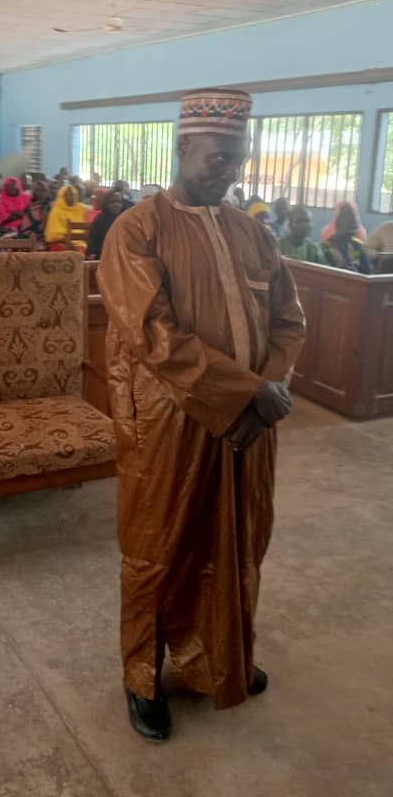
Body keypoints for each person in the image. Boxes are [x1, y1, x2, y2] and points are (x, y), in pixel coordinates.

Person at [98, 88, 305, 741]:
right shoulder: (138, 230)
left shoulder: (254, 232)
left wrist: (269, 389)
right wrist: (245, 391)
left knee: (238, 541)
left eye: (238, 160)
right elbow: (152, 334)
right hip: (170, 423)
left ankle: (219, 658)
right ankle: (142, 676)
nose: (230, 171)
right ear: (185, 146)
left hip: (250, 425)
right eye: (219, 158)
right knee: (159, 547)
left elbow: (288, 320)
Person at [322, 202, 372, 273]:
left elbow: (368, 270)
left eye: (354, 227)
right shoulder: (327, 247)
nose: (352, 230)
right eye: (349, 227)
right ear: (338, 225)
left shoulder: (358, 245)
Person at [45, 184, 86, 251]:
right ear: (62, 197)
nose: (71, 197)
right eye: (67, 195)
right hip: (60, 242)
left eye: (72, 194)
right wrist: (68, 242)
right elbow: (53, 234)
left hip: (79, 243)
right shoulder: (56, 211)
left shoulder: (81, 209)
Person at [86, 187, 123, 259]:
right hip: (102, 254)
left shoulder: (124, 218)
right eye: (113, 202)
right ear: (107, 203)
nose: (116, 204)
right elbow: (92, 242)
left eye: (119, 202)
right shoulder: (99, 220)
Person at [19, 179, 51, 249]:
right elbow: (25, 224)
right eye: (37, 190)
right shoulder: (30, 206)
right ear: (34, 192)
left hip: (42, 237)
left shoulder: (49, 206)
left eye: (43, 190)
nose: (40, 193)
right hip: (26, 235)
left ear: (47, 192)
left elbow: (43, 227)